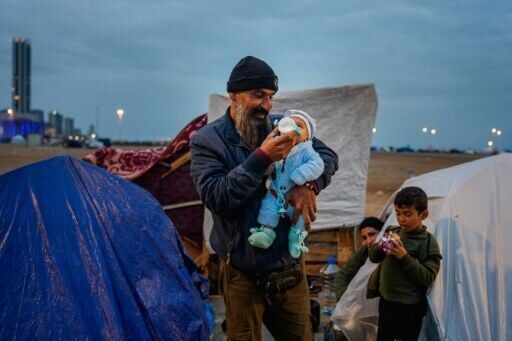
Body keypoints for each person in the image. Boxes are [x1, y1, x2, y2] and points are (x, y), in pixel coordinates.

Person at [190, 56, 338, 340]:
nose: (267, 105)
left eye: (270, 96)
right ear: (233, 96)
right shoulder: (208, 141)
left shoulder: (283, 127)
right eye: (258, 95)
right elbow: (217, 197)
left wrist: (309, 186)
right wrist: (262, 158)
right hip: (241, 272)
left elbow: (327, 155)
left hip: (288, 267)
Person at [367, 186, 442, 341]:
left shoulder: (427, 242)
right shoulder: (393, 231)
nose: (401, 219)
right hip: (386, 302)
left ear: (424, 214)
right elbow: (374, 257)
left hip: (408, 309)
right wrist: (381, 245)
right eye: (398, 213)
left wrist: (404, 256)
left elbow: (428, 277)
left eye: (408, 214)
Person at [248, 109, 324, 258]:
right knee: (268, 208)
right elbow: (269, 165)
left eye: (300, 126)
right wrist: (267, 165)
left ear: (308, 136)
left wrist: (301, 174)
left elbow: (318, 164)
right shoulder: (278, 148)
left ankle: (296, 238)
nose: (293, 128)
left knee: (301, 217)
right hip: (275, 193)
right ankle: (266, 232)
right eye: (291, 124)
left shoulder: (307, 150)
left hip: (295, 195)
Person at [334, 216, 384, 300]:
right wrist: (343, 300)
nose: (369, 241)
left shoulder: (392, 248)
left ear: (382, 233)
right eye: (364, 238)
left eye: (372, 234)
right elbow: (343, 274)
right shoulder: (364, 251)